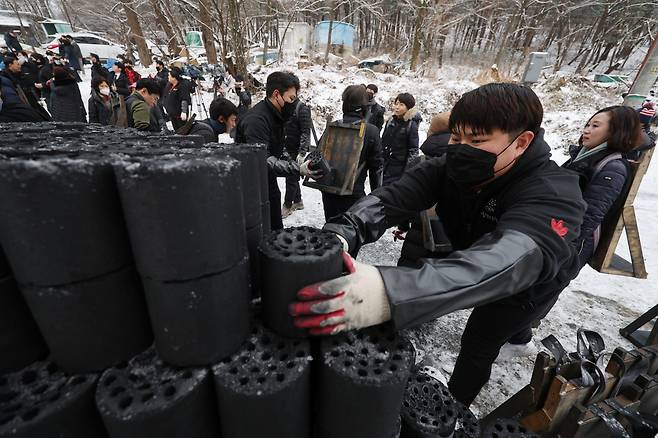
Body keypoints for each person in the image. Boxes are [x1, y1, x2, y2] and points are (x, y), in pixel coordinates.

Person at [288, 83, 587, 408]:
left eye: (477, 141)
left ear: (521, 142)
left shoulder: (553, 192)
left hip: (524, 286)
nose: (461, 149)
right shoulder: (449, 168)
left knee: (478, 342)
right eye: (457, 138)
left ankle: (452, 410)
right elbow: (392, 198)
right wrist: (345, 230)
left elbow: (513, 258)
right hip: (470, 254)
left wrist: (395, 291)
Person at [235, 71, 323, 230]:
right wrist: (297, 169)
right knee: (263, 230)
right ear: (276, 94)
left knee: (275, 224)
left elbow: (278, 147)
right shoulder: (257, 120)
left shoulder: (276, 115)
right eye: (291, 98)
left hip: (267, 181)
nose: (293, 103)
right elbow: (263, 160)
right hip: (253, 187)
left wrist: (293, 161)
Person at [395, 111, 453, 267]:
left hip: (419, 238)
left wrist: (402, 225)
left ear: (432, 131)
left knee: (408, 280)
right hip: (455, 246)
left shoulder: (420, 163)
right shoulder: (468, 165)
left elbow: (406, 199)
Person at [320, 84, 384, 221]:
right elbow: (376, 168)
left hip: (328, 190)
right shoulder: (371, 131)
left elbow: (319, 155)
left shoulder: (334, 126)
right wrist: (376, 197)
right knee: (349, 234)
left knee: (331, 229)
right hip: (353, 193)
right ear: (366, 107)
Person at [281, 98, 313, 218]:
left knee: (291, 178)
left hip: (296, 150)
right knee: (291, 175)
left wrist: (302, 152)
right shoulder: (285, 106)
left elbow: (306, 131)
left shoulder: (302, 108)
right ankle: (298, 201)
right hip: (287, 148)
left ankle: (288, 205)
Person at [381, 92, 421, 185]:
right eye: (396, 103)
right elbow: (383, 141)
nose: (397, 107)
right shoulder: (390, 121)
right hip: (385, 164)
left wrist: (408, 172)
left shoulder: (411, 125)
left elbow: (413, 150)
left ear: (409, 107)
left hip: (398, 167)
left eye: (401, 104)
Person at [164, 66, 191, 131]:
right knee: (176, 130)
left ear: (174, 77)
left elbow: (184, 99)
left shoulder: (182, 86)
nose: (168, 77)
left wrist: (184, 111)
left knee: (182, 131)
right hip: (172, 114)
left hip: (179, 115)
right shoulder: (169, 85)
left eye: (169, 75)